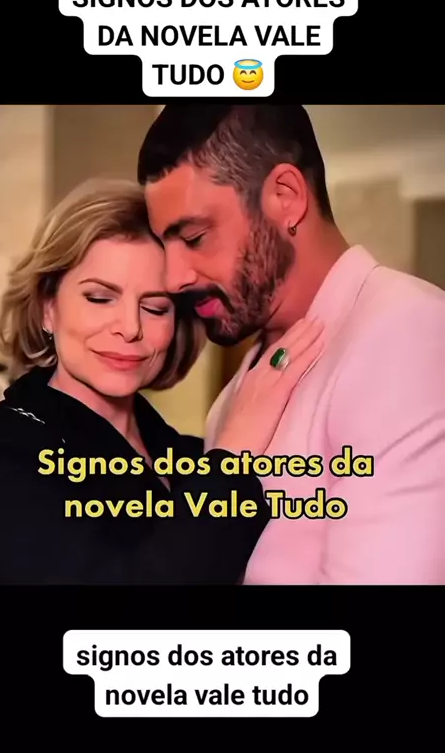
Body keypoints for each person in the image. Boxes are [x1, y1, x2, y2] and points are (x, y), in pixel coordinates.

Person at [137, 103, 445, 585]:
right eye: (165, 247)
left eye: (194, 237)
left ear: (286, 197)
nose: (174, 278)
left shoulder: (407, 332)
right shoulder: (235, 400)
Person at [0, 177, 324, 585]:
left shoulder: (193, 456)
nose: (130, 328)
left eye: (155, 308)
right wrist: (233, 457)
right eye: (100, 298)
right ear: (48, 307)